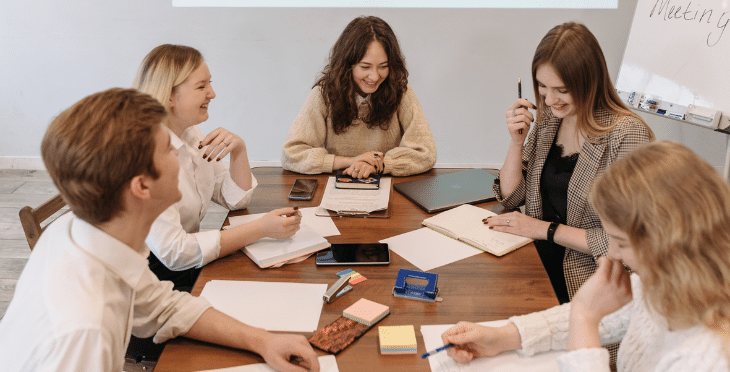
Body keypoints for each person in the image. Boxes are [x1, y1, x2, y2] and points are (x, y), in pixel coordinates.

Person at [0, 88, 319, 372]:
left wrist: (263, 340)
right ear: (141, 186)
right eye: (170, 149)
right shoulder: (86, 331)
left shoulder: (90, 232)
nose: (183, 154)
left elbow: (163, 307)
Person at [443, 141, 730, 372]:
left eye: (620, 243)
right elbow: (611, 319)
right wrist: (502, 337)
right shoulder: (665, 286)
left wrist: (584, 317)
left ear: (669, 242)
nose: (612, 253)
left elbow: (591, 317)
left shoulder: (707, 358)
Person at [485, 22, 654, 304]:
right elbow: (513, 196)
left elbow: (631, 243)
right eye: (542, 87)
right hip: (537, 265)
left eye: (561, 89)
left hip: (592, 282)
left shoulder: (627, 134)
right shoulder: (551, 120)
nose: (550, 100)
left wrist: (544, 230)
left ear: (589, 81)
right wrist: (516, 142)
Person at [134, 44, 301, 291]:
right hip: (154, 283)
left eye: (209, 83)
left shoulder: (190, 133)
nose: (212, 93)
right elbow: (175, 253)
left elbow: (234, 200)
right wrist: (260, 229)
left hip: (188, 267)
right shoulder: (145, 156)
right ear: (169, 95)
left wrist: (239, 150)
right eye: (201, 86)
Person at [281, 16, 437, 179]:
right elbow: (291, 155)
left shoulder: (401, 90)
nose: (375, 76)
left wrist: (379, 165)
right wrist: (350, 161)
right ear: (348, 65)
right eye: (365, 67)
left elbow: (426, 153)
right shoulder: (324, 93)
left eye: (383, 66)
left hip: (386, 186)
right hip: (339, 185)